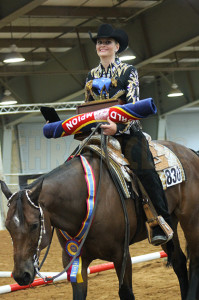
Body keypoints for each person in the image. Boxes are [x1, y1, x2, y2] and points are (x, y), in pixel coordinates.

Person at [85, 23, 173, 246]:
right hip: (100, 134)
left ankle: (161, 220)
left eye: (107, 42)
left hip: (127, 133)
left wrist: (118, 128)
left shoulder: (128, 71)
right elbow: (87, 107)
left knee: (145, 169)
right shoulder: (90, 75)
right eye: (99, 42)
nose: (102, 45)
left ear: (116, 47)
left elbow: (133, 107)